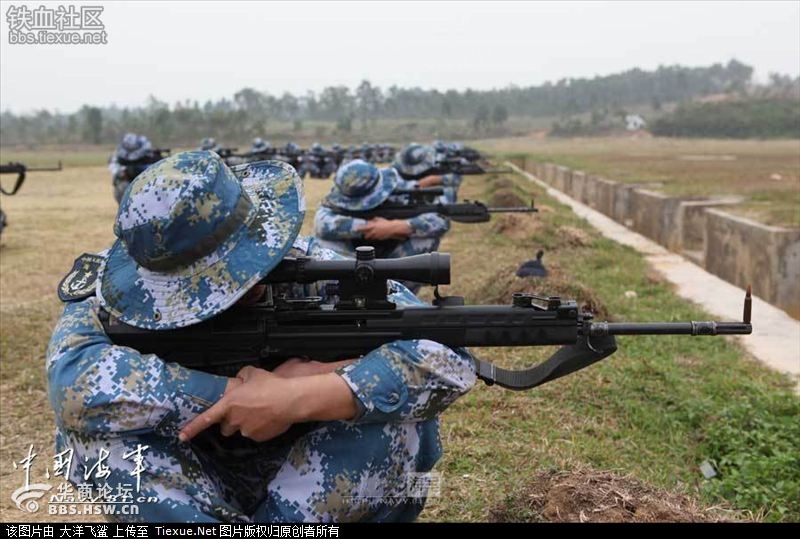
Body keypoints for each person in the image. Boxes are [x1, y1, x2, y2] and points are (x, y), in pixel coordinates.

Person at [47, 150, 475, 523]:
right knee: (96, 439)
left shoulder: (316, 270)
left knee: (400, 420)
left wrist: (304, 395)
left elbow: (447, 354)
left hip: (309, 485)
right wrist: (235, 393)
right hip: (197, 484)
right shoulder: (115, 290)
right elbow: (74, 383)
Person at [314, 159, 450, 293]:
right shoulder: (331, 209)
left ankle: (400, 295)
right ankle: (352, 294)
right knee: (324, 245)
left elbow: (440, 220)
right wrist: (370, 226)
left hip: (393, 260)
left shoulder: (393, 187)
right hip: (352, 263)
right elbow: (323, 224)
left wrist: (400, 226)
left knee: (425, 238)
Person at [392, 143, 462, 204]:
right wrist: (423, 183)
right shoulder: (394, 174)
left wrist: (435, 180)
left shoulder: (438, 163)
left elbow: (454, 180)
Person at [108, 132, 154, 203]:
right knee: (123, 186)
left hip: (148, 184)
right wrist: (123, 172)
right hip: (127, 184)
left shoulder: (148, 154)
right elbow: (115, 170)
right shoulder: (117, 156)